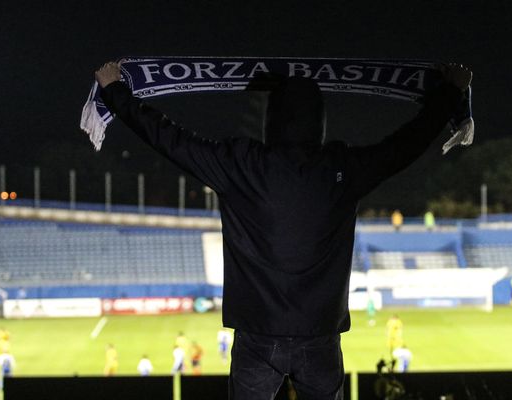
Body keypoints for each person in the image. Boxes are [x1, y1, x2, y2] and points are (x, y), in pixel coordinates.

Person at [95, 60, 472, 399]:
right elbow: (404, 145)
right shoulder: (343, 168)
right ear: (320, 121)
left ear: (270, 120)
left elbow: (168, 138)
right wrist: (449, 96)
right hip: (320, 335)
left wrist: (116, 91)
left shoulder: (239, 163)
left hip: (257, 335)